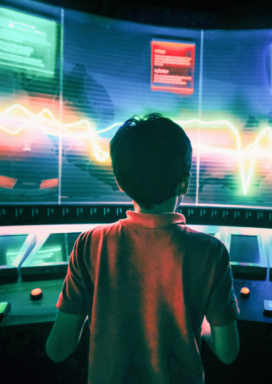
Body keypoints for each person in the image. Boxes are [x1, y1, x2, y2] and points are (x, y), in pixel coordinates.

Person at [45, 113, 240, 383]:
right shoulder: (212, 253)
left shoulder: (89, 244)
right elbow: (228, 352)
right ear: (184, 182)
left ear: (119, 182)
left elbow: (57, 349)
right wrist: (203, 323)